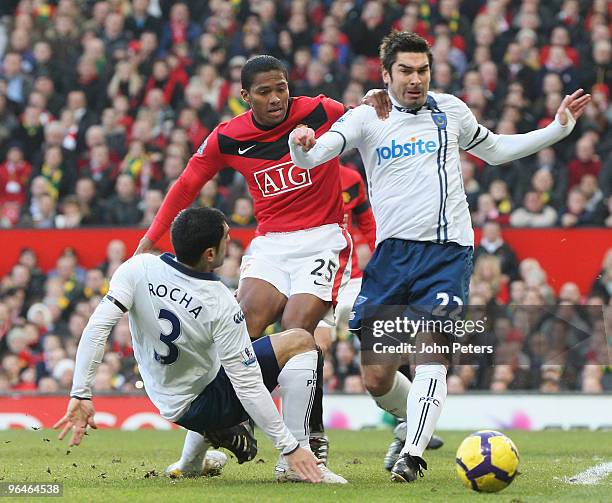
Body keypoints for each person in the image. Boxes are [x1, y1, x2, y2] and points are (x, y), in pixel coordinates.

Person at [289, 31, 590, 483]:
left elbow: (497, 151)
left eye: (423, 70)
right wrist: (301, 145)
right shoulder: (368, 116)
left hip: (448, 254)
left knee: (431, 350)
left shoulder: (451, 111)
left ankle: (412, 457)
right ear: (386, 75)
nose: (416, 80)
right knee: (375, 377)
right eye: (406, 71)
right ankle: (413, 424)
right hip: (393, 258)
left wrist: (557, 128)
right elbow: (315, 158)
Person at [134, 55, 387, 463]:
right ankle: (231, 425)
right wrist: (151, 238)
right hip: (271, 243)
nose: (276, 98)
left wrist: (375, 97)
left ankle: (308, 438)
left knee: (297, 329)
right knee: (243, 324)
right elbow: (186, 185)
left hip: (322, 240)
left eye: (281, 88)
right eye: (265, 92)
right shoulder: (227, 137)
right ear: (245, 96)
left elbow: (364, 118)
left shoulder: (321, 110)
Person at [54, 207, 347, 484]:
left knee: (212, 361)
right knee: (300, 341)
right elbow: (246, 383)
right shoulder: (219, 301)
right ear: (210, 254)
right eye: (226, 239)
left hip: (166, 398)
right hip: (206, 403)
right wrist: (290, 446)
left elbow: (97, 328)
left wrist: (81, 392)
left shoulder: (138, 267)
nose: (229, 243)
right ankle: (292, 464)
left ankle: (190, 463)